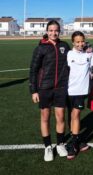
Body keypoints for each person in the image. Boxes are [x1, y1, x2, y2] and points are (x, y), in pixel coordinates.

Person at [29, 20, 69, 161]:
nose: (53, 33)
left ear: (60, 31)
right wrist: (34, 91)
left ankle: (60, 144)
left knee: (60, 117)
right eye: (51, 30)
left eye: (56, 30)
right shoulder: (41, 48)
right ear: (47, 31)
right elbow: (33, 70)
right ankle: (47, 147)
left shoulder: (65, 46)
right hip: (44, 88)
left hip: (61, 88)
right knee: (45, 118)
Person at [66, 31, 92, 159]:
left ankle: (74, 143)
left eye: (82, 41)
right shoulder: (69, 54)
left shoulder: (89, 54)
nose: (80, 44)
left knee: (75, 115)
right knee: (72, 116)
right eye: (77, 42)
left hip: (81, 91)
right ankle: (77, 140)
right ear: (73, 42)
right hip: (69, 91)